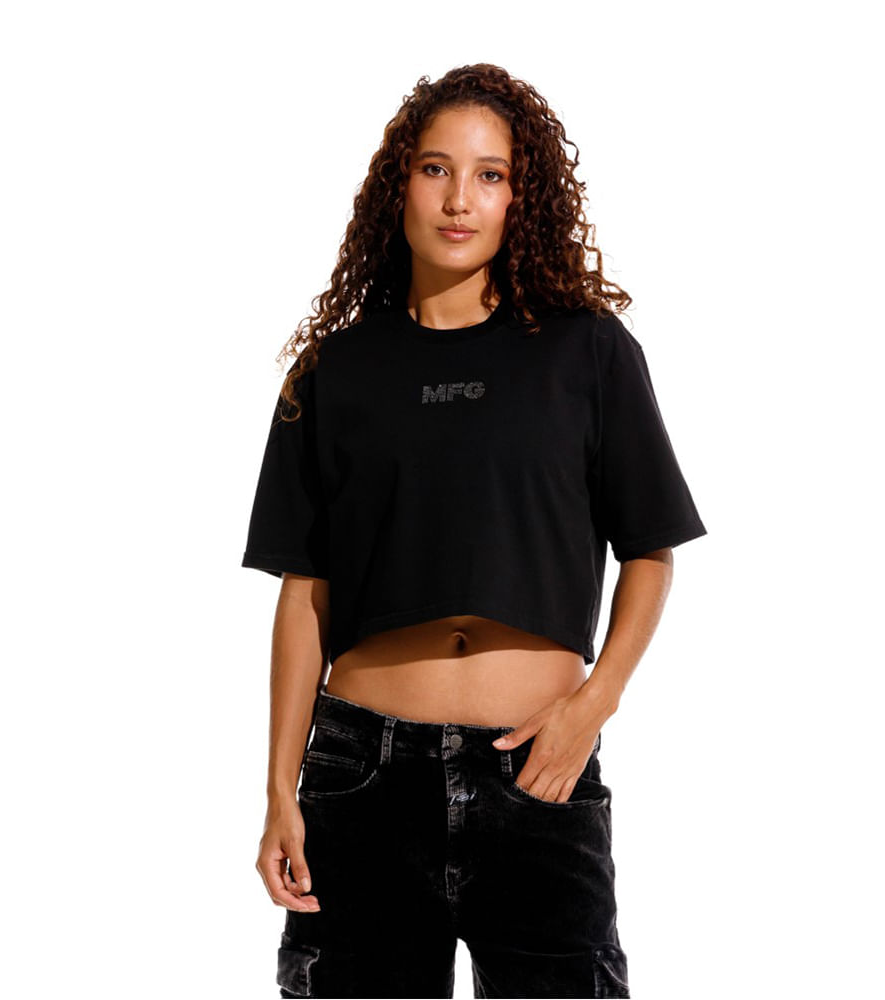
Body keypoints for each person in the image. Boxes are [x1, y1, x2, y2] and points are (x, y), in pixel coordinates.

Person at [241, 63, 707, 999]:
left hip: (538, 767)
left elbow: (649, 551)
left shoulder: (587, 352)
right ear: (398, 185)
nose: (461, 199)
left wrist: (593, 706)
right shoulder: (333, 372)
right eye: (436, 169)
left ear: (519, 198)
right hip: (361, 774)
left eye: (490, 175)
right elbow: (305, 591)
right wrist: (280, 790)